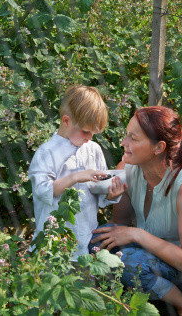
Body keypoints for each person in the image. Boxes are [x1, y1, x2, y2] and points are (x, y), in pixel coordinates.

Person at [90, 106, 182, 316]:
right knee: (98, 240)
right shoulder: (130, 167)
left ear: (158, 148)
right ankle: (152, 294)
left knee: (129, 262)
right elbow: (119, 226)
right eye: (126, 135)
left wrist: (137, 234)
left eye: (133, 138)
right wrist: (119, 195)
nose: (124, 142)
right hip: (153, 257)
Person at [28, 85, 126, 260]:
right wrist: (75, 177)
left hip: (86, 239)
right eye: (86, 131)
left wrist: (111, 193)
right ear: (66, 121)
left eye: (94, 133)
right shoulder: (47, 152)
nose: (89, 137)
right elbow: (42, 192)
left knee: (83, 283)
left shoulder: (93, 149)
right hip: (54, 243)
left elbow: (99, 196)